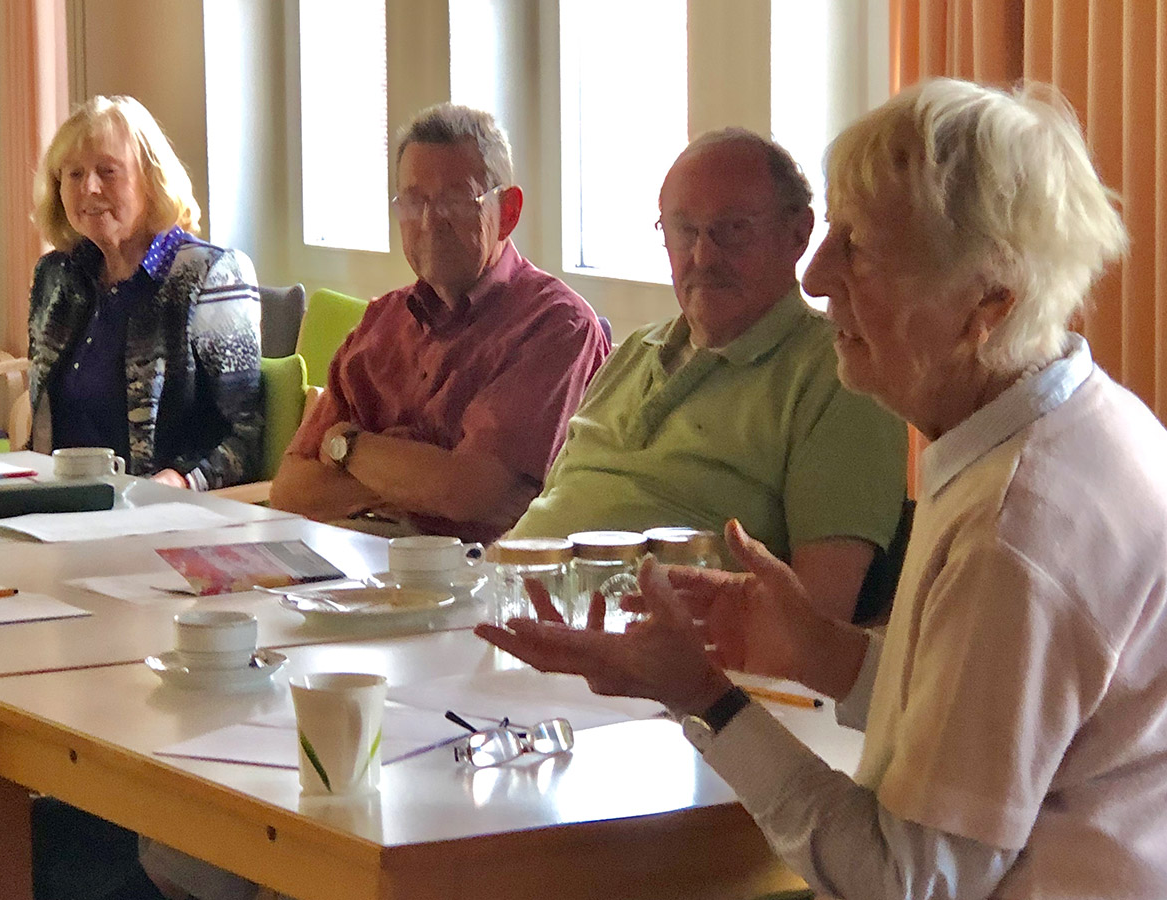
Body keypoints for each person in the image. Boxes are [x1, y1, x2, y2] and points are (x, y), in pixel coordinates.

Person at [478, 78, 1167, 899]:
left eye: (861, 247)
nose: (815, 273)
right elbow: (994, 733)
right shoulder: (1070, 421)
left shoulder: (1014, 530)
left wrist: (705, 701)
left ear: (988, 301)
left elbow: (905, 880)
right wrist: (821, 650)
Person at [509, 129, 907, 620]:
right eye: (684, 231)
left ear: (799, 233)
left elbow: (815, 620)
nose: (703, 257)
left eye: (733, 229)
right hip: (506, 609)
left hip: (647, 650)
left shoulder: (839, 373)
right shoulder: (635, 350)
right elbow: (553, 504)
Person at [270, 103, 609, 543]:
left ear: (508, 211)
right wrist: (420, 480)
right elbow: (292, 489)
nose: (430, 222)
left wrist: (346, 446)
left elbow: (471, 494)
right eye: (414, 202)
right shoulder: (380, 323)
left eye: (455, 201)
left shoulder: (555, 326)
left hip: (476, 572)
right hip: (355, 556)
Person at [29, 94, 261, 490]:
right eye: (74, 174)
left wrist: (182, 481)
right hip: (58, 500)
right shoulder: (55, 276)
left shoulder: (210, 274)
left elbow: (247, 437)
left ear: (151, 181)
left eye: (108, 171)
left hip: (157, 509)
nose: (90, 187)